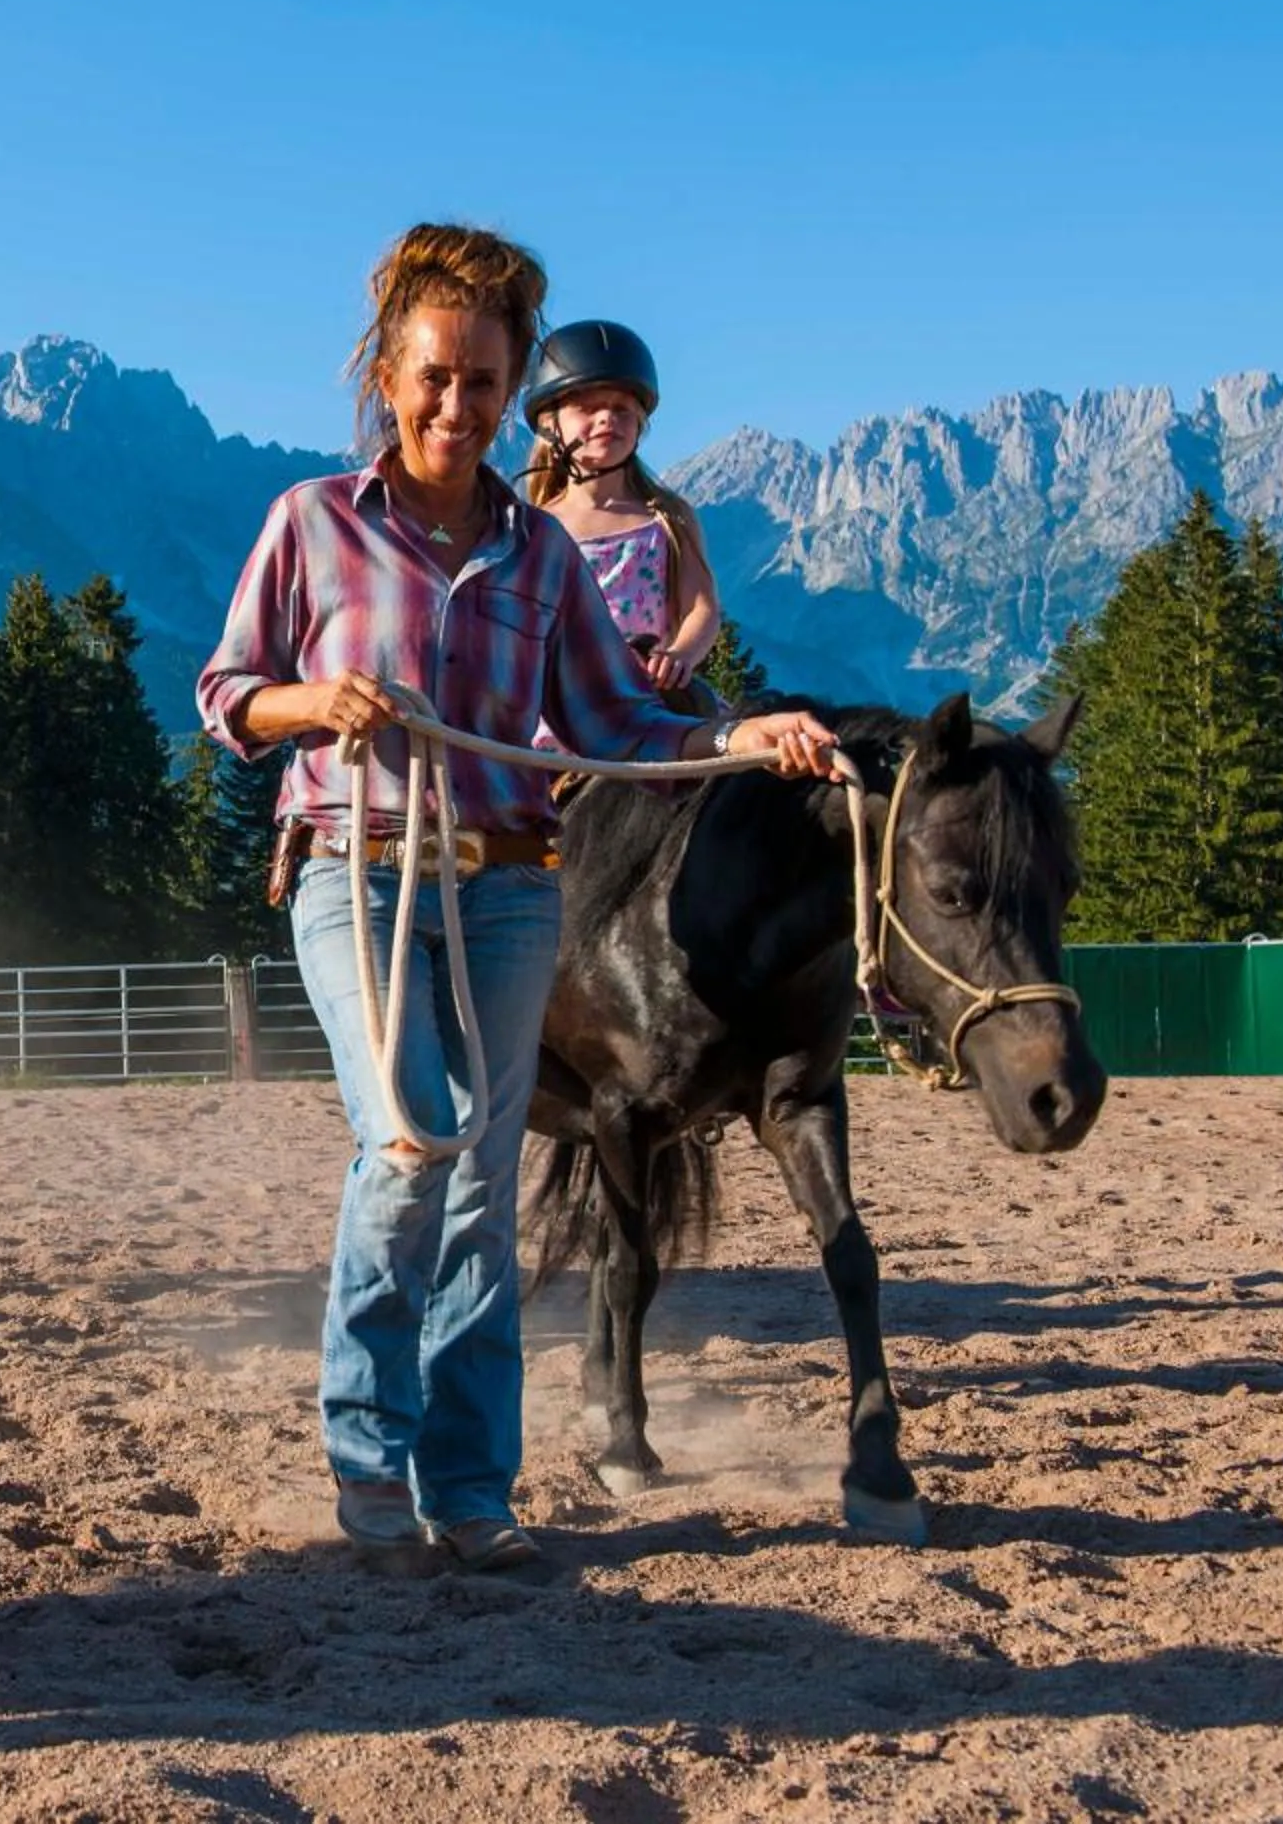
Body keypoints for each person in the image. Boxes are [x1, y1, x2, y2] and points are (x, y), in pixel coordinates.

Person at [196, 223, 840, 1572]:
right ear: (386, 373)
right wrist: (321, 701)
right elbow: (227, 695)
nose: (456, 406)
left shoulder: (541, 557)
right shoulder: (312, 521)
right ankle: (367, 1454)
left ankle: (471, 1488)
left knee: (486, 1188)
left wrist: (747, 734)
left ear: (508, 397)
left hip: (503, 888)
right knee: (410, 1142)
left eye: (482, 384)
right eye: (434, 377)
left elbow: (614, 721)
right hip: (352, 869)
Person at [520, 320, 722, 699]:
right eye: (588, 408)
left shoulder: (666, 518)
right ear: (550, 425)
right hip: (553, 716)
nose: (607, 419)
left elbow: (702, 609)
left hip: (639, 706)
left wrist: (679, 655)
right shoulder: (532, 528)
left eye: (622, 409)